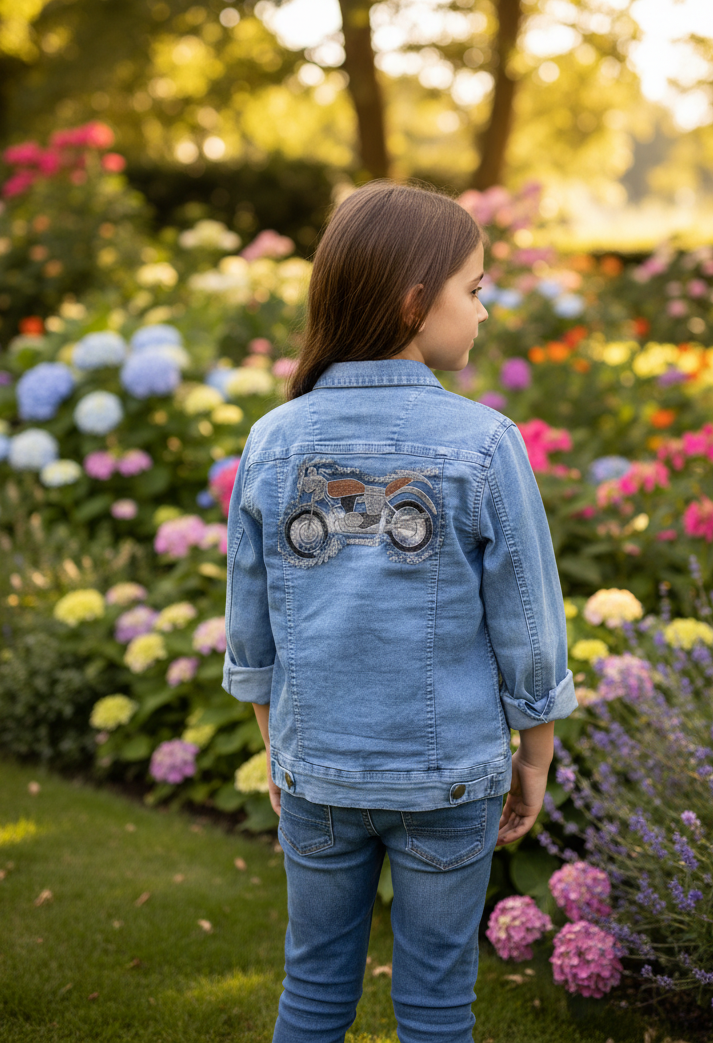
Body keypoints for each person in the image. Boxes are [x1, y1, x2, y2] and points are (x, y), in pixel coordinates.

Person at [222, 179, 577, 1043]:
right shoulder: (485, 443)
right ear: (418, 302)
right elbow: (529, 626)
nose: (485, 313)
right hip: (450, 776)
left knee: (312, 988)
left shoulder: (276, 439)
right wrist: (535, 756)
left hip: (318, 778)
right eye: (476, 290)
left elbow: (252, 617)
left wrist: (280, 743)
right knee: (434, 1002)